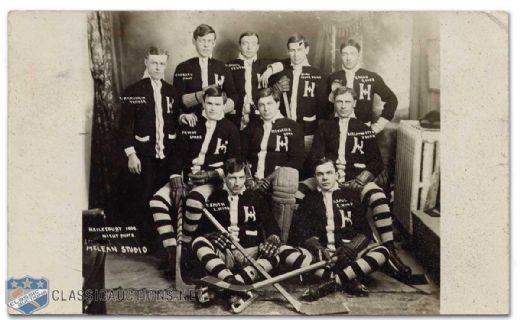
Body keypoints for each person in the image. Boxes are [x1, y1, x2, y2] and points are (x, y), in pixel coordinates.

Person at [149, 86, 241, 275]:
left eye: (217, 104)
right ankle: (173, 253)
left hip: (211, 182)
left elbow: (234, 164)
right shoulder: (192, 124)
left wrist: (211, 175)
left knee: (194, 201)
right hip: (185, 179)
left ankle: (186, 248)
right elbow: (175, 156)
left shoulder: (231, 129)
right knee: (156, 201)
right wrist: (175, 179)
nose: (213, 108)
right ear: (203, 103)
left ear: (224, 105)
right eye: (209, 103)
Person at [280, 158, 391, 298]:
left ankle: (331, 283)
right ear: (315, 177)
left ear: (337, 175)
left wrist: (351, 248)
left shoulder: (351, 195)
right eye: (320, 174)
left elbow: (365, 231)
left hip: (349, 255)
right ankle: (348, 279)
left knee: (382, 252)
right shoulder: (309, 199)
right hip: (323, 259)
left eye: (329, 173)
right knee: (284, 251)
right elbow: (302, 232)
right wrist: (318, 249)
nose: (325, 177)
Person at [189, 158, 281, 311]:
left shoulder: (255, 197)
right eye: (232, 178)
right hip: (225, 256)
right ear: (225, 177)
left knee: (277, 253)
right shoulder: (214, 197)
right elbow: (200, 230)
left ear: (246, 177)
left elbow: (271, 224)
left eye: (241, 177)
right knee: (198, 242)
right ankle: (234, 284)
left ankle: (224, 286)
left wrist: (273, 238)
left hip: (250, 254)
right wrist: (211, 235)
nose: (237, 183)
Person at [119, 46, 181, 249]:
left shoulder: (171, 91)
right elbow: (125, 126)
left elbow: (174, 123)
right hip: (143, 156)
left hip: (167, 156)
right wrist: (131, 154)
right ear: (146, 62)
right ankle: (146, 243)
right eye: (154, 62)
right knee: (144, 197)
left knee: (163, 199)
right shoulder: (133, 91)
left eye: (162, 63)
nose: (158, 67)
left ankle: (164, 244)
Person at [241, 87, 305, 243]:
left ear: (277, 104)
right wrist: (249, 179)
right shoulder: (253, 127)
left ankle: (280, 242)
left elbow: (297, 159)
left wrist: (269, 180)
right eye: (261, 105)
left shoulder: (292, 126)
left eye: (269, 103)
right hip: (254, 182)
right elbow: (241, 155)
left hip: (279, 184)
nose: (265, 108)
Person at [269, 34, 329, 155]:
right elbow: (268, 100)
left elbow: (323, 108)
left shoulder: (318, 75)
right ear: (288, 51)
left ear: (307, 50)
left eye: (299, 50)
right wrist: (276, 89)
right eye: (292, 50)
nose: (296, 54)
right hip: (283, 131)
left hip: (308, 133)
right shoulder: (279, 74)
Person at [327, 39, 398, 134]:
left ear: (358, 55)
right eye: (345, 54)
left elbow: (392, 99)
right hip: (337, 130)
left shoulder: (371, 77)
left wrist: (378, 126)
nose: (348, 58)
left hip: (363, 130)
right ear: (341, 55)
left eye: (352, 54)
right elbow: (325, 106)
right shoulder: (333, 77)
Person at [173, 24, 238, 125]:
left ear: (214, 43)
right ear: (194, 42)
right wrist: (183, 115)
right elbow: (176, 98)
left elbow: (234, 95)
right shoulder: (183, 67)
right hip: (192, 121)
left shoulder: (222, 67)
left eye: (209, 41)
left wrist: (220, 111)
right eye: (202, 40)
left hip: (218, 121)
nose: (206, 45)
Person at [226, 32, 281, 129]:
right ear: (239, 46)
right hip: (235, 113)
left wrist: (269, 70)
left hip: (259, 114)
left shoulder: (264, 64)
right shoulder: (229, 65)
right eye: (245, 43)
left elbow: (284, 64)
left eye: (253, 44)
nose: (249, 47)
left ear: (258, 47)